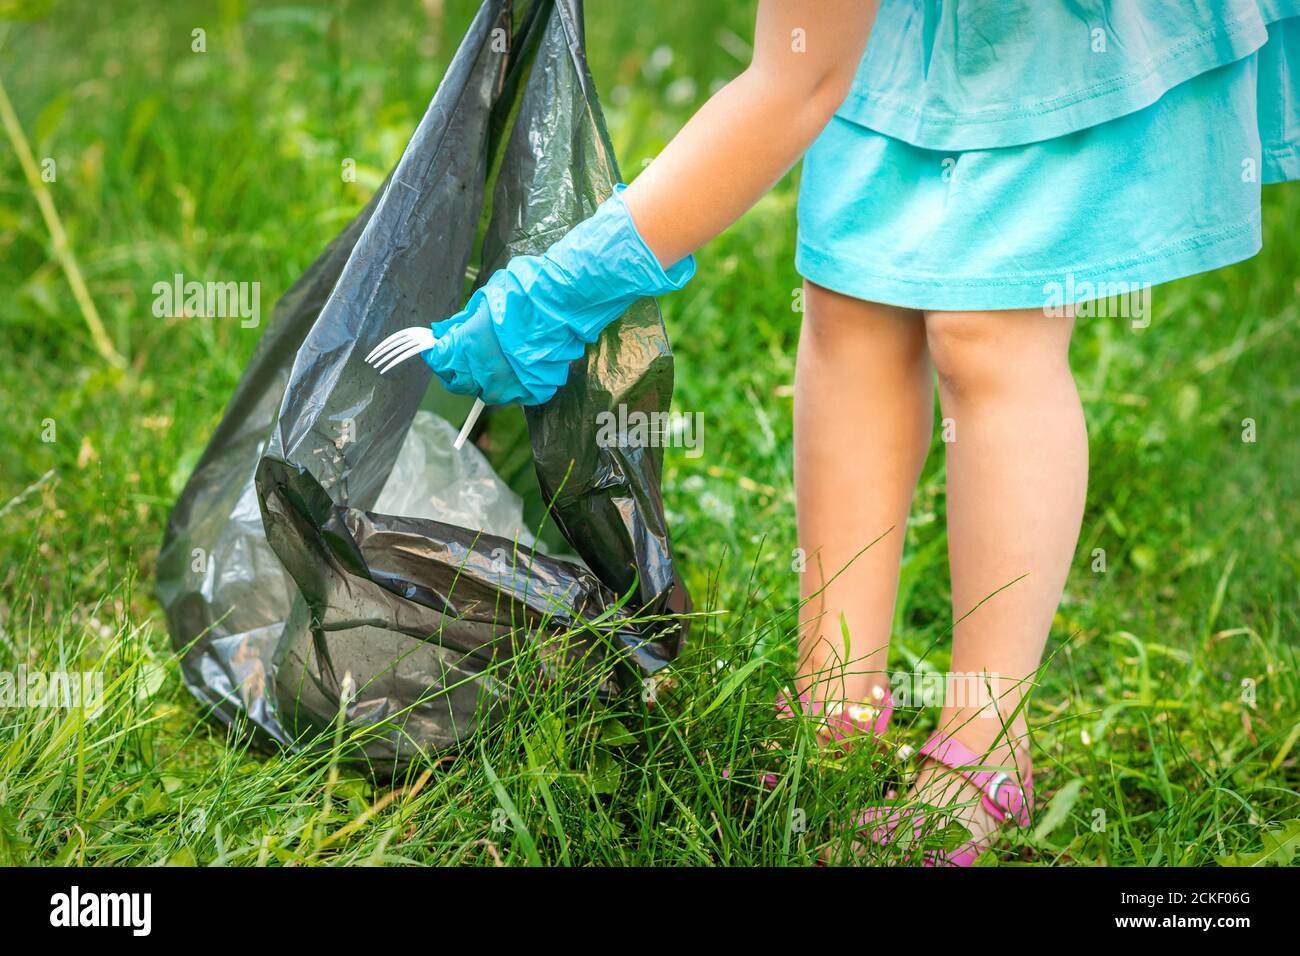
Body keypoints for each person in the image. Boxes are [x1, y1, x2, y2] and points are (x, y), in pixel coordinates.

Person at [415, 0, 1300, 865]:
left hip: (1056, 35)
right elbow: (803, 63)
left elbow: (794, 89)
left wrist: (570, 284)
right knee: (853, 302)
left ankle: (985, 743)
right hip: (907, 29)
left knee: (987, 328)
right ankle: (835, 696)